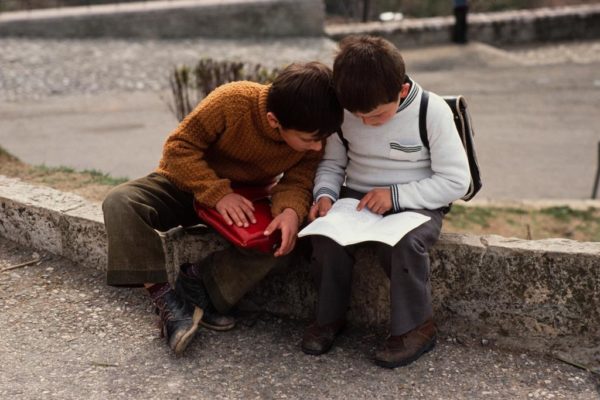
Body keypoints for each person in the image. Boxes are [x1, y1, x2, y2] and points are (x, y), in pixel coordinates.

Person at [102, 62, 343, 355]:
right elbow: (178, 148)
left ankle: (197, 286)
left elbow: (298, 181)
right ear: (273, 120)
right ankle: (166, 300)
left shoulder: (314, 133)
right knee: (119, 202)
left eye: (321, 139)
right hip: (187, 184)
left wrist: (290, 212)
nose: (318, 147)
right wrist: (217, 193)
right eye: (309, 139)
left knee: (286, 239)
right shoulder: (232, 101)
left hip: (246, 199)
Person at [301, 35, 470, 368]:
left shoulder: (430, 111)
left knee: (404, 246)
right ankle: (329, 318)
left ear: (402, 91)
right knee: (325, 237)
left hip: (417, 200)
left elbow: (455, 181)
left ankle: (415, 329)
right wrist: (325, 195)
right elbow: (334, 163)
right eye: (357, 116)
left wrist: (395, 196)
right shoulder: (346, 111)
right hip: (357, 198)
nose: (366, 123)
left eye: (377, 116)